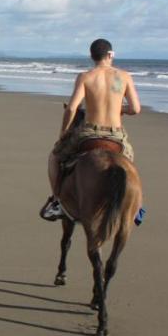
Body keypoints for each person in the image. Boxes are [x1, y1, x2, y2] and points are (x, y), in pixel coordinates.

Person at [41, 37, 142, 221]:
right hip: (116, 134)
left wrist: (63, 133)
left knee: (56, 156)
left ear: (92, 56)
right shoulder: (124, 77)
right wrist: (121, 109)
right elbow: (135, 109)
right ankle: (136, 207)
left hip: (89, 132)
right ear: (110, 55)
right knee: (129, 163)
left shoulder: (85, 77)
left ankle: (57, 201)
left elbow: (71, 108)